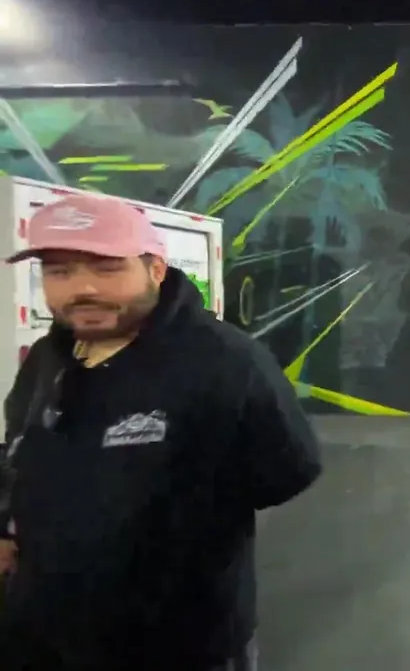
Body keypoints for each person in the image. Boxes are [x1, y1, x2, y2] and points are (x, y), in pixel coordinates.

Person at [0, 194, 322, 670]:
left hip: (177, 641)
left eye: (107, 268)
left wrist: (175, 518)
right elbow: (17, 451)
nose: (82, 288)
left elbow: (290, 470)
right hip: (41, 630)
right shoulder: (50, 357)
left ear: (155, 269)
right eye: (59, 272)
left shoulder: (225, 360)